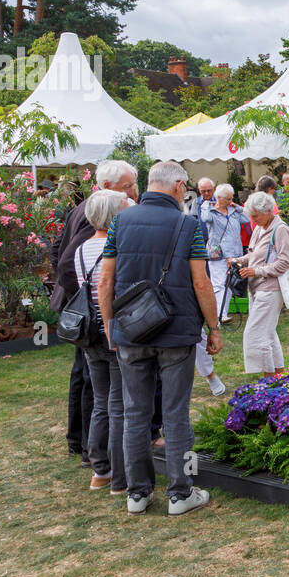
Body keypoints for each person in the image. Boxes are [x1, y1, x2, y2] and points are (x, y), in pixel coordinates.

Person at [97, 160, 221, 516]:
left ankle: (137, 493)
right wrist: (213, 327)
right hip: (176, 332)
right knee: (175, 414)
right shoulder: (188, 224)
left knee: (135, 413)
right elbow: (201, 282)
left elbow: (105, 281)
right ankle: (180, 494)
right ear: (179, 186)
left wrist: (109, 324)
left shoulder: (120, 221)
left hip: (131, 331)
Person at [51, 159, 137, 463]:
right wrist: (85, 298)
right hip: (95, 316)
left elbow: (57, 249)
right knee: (100, 389)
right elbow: (64, 261)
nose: (132, 194)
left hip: (86, 310)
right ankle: (93, 450)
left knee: (90, 381)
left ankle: (86, 446)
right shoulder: (100, 216)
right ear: (109, 188)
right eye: (127, 188)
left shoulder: (85, 209)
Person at [73, 190, 128, 493]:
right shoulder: (115, 246)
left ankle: (100, 469)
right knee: (118, 404)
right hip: (113, 330)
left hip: (89, 333)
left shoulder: (82, 249)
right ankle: (119, 473)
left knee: (100, 402)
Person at [231, 191, 289, 374]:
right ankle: (278, 376)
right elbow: (254, 254)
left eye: (255, 215)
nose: (252, 219)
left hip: (271, 290)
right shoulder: (260, 228)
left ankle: (269, 380)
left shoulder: (281, 229)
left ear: (268, 211)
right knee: (269, 335)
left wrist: (256, 271)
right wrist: (239, 260)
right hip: (258, 288)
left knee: (256, 336)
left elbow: (284, 263)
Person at [200, 183, 248, 334]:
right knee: (218, 284)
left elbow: (247, 219)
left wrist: (237, 206)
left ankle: (223, 314)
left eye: (231, 198)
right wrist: (207, 205)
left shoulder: (234, 211)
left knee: (229, 284)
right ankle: (215, 316)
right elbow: (205, 218)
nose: (230, 201)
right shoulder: (211, 211)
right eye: (228, 198)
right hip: (218, 253)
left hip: (235, 252)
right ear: (219, 198)